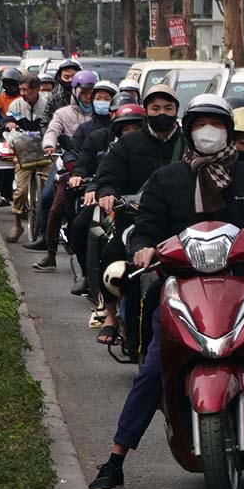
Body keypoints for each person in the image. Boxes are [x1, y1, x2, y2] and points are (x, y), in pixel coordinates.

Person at [88, 95, 244, 489]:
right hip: (181, 287)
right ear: (188, 130)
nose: (207, 131)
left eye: (215, 124)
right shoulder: (167, 180)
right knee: (153, 369)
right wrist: (143, 247)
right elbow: (146, 227)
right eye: (200, 123)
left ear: (229, 132)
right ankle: (115, 460)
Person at [90, 84, 184, 343]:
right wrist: (108, 192)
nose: (162, 113)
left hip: (181, 224)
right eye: (155, 108)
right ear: (146, 111)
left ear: (177, 110)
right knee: (112, 257)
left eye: (168, 108)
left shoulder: (189, 144)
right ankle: (110, 315)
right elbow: (107, 176)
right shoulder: (127, 144)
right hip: (135, 220)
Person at [24, 79, 117, 252]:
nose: (94, 99)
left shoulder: (119, 128)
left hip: (112, 184)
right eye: (98, 97)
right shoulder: (79, 124)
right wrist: (76, 171)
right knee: (54, 202)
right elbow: (70, 148)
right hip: (78, 175)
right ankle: (49, 245)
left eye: (107, 99)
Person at [67, 99, 144, 296]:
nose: (131, 133)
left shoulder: (152, 148)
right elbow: (103, 174)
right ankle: (87, 274)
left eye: (136, 128)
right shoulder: (109, 146)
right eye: (126, 129)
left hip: (147, 207)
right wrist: (98, 189)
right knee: (80, 226)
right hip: (114, 202)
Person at [31, 70, 98, 270]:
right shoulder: (63, 113)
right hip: (69, 166)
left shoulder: (101, 116)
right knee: (51, 201)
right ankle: (49, 249)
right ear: (75, 91)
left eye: (92, 93)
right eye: (84, 92)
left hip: (97, 168)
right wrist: (49, 145)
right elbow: (52, 130)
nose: (88, 97)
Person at [3, 73, 47, 242]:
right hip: (24, 155)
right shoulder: (16, 104)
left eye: (26, 90)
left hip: (45, 153)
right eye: (21, 89)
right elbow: (7, 118)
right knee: (21, 191)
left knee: (50, 190)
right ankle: (17, 225)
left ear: (36, 90)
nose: (22, 93)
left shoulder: (47, 105)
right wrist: (9, 123)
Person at [41, 58, 82, 131]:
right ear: (60, 78)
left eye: (74, 76)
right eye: (66, 77)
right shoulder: (54, 100)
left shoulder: (89, 98)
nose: (70, 80)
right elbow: (45, 124)